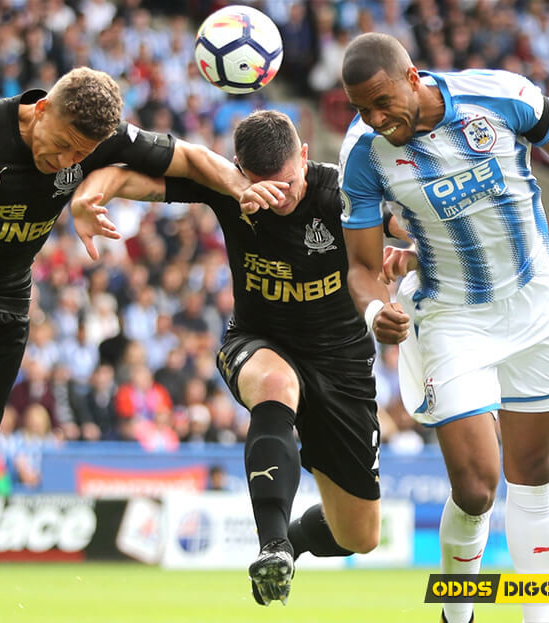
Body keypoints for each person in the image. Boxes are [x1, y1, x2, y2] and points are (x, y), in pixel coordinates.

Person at [0, 66, 247, 623]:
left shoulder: (100, 139)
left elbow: (189, 159)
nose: (65, 161)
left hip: (8, 306)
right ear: (40, 110)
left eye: (78, 154)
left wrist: (240, 186)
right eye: (60, 144)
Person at [338, 33, 549, 623]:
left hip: (533, 305)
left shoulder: (500, 95)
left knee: (533, 479)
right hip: (451, 319)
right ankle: (457, 611)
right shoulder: (364, 152)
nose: (375, 118)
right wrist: (375, 312)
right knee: (476, 488)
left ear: (412, 75)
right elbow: (364, 267)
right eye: (361, 108)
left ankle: (540, 615)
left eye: (381, 101)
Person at [72, 110, 406, 606]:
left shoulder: (341, 192)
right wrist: (88, 196)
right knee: (276, 385)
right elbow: (127, 174)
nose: (279, 197)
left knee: (358, 536)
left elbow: (413, 228)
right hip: (256, 341)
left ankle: (289, 542)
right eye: (263, 186)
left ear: (305, 158)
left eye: (289, 183)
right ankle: (270, 544)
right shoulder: (228, 190)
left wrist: (413, 255)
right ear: (239, 170)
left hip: (342, 364)